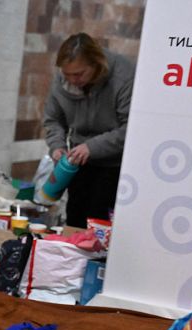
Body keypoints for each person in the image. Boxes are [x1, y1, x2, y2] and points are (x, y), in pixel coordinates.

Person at [43, 32, 135, 228]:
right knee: (75, 218)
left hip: (114, 165)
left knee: (98, 222)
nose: (72, 80)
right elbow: (53, 120)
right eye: (67, 74)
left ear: (96, 64)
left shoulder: (124, 76)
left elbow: (131, 128)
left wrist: (91, 147)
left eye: (79, 74)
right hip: (77, 162)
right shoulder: (63, 80)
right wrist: (57, 146)